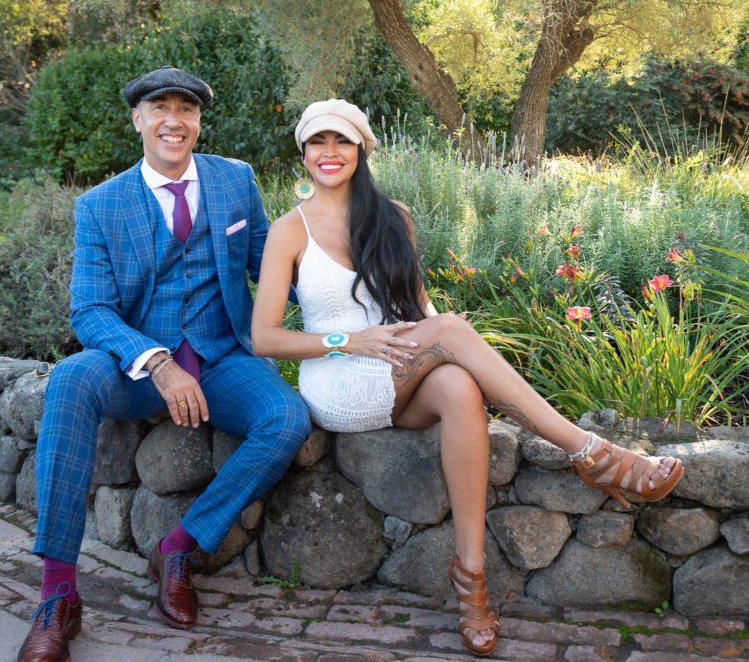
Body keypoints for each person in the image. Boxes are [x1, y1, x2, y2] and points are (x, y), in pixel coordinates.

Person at [250, 99, 684, 658]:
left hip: (398, 369)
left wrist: (438, 338)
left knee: (459, 385)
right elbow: (265, 337)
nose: (328, 154)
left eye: (342, 142)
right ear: (303, 152)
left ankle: (472, 581)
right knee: (451, 332)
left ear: (362, 150)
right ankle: (596, 454)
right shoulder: (289, 230)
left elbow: (418, 305)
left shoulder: (393, 217)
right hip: (339, 382)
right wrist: (348, 339)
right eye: (317, 143)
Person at [18, 67, 311, 662]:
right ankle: (58, 595)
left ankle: (177, 547)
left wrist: (353, 292)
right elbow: (91, 310)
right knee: (72, 377)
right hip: (137, 370)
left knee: (285, 417)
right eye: (159, 108)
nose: (173, 120)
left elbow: (271, 267)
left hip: (221, 353)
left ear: (199, 121)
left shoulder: (236, 181)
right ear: (138, 119)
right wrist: (155, 362)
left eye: (186, 109)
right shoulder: (99, 206)